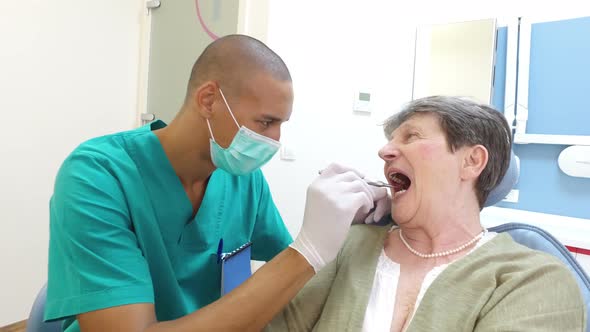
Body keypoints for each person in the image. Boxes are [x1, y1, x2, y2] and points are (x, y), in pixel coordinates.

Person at [45, 34, 389, 332]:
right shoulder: (98, 175)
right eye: (266, 122)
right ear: (208, 99)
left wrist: (347, 228)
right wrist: (308, 251)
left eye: (281, 124)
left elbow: (289, 277)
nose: (275, 140)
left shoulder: (244, 180)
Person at [265, 96, 587, 331]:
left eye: (411, 136)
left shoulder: (532, 279)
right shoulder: (349, 245)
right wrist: (308, 249)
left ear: (472, 161)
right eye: (390, 141)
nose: (385, 152)